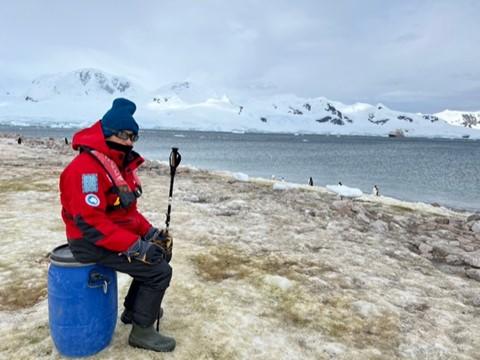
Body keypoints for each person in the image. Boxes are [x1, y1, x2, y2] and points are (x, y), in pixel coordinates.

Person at [59, 98, 176, 353]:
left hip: (110, 236)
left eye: (134, 136)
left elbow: (129, 214)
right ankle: (142, 332)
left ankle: (134, 311)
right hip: (89, 243)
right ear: (109, 133)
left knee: (158, 254)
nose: (130, 142)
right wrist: (136, 247)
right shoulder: (86, 171)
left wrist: (150, 234)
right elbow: (91, 224)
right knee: (159, 270)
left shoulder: (116, 165)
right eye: (125, 135)